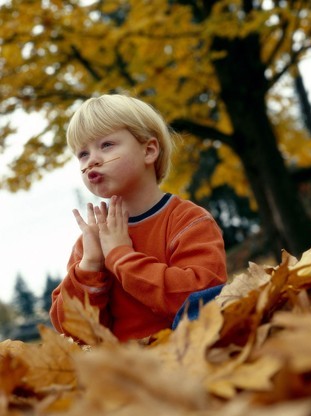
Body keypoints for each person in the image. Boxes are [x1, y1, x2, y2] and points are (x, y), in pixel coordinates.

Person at [49, 93, 227, 342]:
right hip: (125, 371)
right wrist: (89, 267)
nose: (92, 161)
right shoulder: (90, 242)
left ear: (149, 150)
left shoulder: (188, 221)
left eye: (106, 145)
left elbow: (201, 299)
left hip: (189, 359)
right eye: (82, 154)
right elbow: (73, 332)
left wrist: (121, 257)